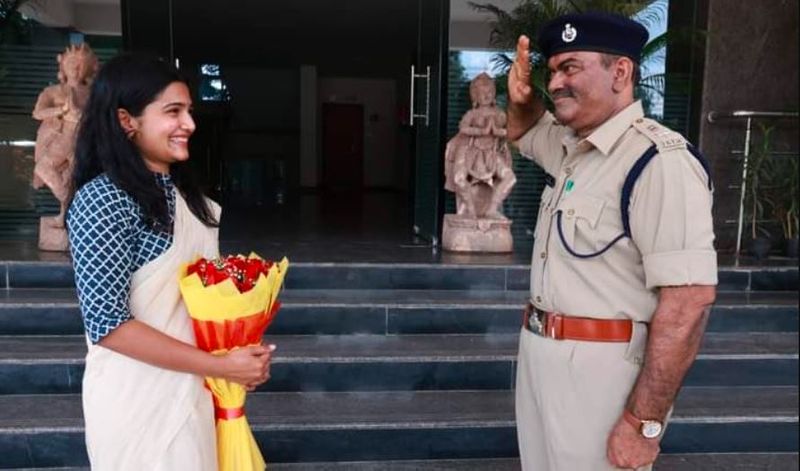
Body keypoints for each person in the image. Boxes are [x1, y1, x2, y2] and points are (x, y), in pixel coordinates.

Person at [506, 12, 718, 470]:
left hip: (602, 374)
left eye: (571, 68)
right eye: (552, 69)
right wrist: (520, 98)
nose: (555, 82)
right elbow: (521, 130)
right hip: (540, 359)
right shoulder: (572, 149)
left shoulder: (659, 162)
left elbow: (688, 304)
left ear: (620, 72)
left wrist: (644, 422)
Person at [66, 53, 274, 471]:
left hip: (195, 390)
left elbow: (204, 299)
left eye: (189, 111)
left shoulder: (185, 197)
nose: (190, 125)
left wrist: (238, 355)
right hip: (137, 402)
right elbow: (108, 325)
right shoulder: (103, 200)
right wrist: (220, 365)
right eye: (173, 112)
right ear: (128, 120)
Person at [32, 43, 97, 217]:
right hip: (63, 136)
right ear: (62, 66)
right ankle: (68, 206)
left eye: (80, 65)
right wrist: (60, 111)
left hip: (82, 138)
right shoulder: (53, 91)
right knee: (51, 171)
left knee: (65, 175)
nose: (75, 69)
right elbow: (37, 112)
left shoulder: (93, 93)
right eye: (71, 64)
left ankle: (67, 210)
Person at [445, 72, 516, 219]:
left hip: (491, 152)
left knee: (510, 178)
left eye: (490, 91)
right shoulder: (472, 114)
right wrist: (481, 131)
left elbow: (511, 131)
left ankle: (492, 208)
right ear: (475, 96)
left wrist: (497, 131)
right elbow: (463, 128)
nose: (487, 95)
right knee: (459, 178)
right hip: (470, 150)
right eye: (482, 93)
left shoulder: (499, 114)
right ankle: (469, 210)